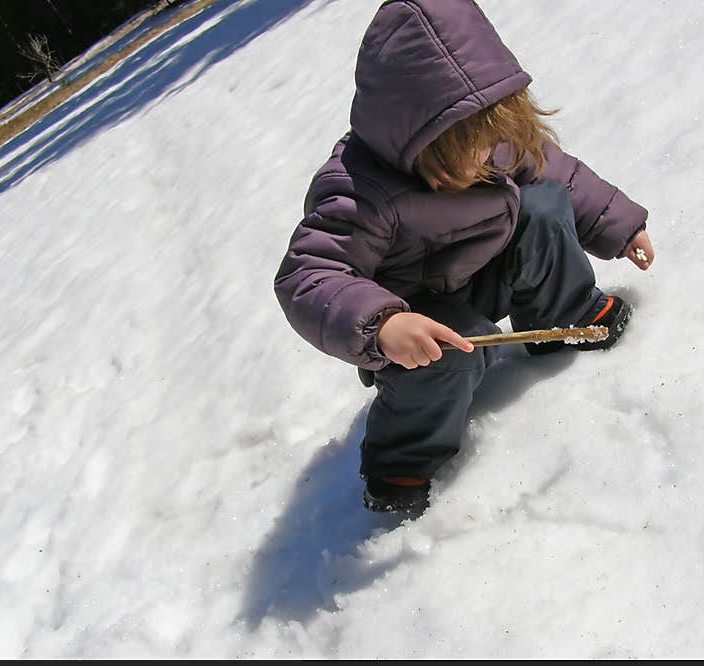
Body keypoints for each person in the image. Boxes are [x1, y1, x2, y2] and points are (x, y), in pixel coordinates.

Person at [274, 0, 653, 514]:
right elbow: (309, 273)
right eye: (475, 147)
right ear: (422, 142)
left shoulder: (483, 137)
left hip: (480, 272)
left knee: (541, 206)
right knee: (449, 354)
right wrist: (382, 324)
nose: (493, 154)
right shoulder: (360, 190)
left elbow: (554, 170)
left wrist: (619, 223)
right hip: (416, 321)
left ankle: (564, 315)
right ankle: (399, 462)